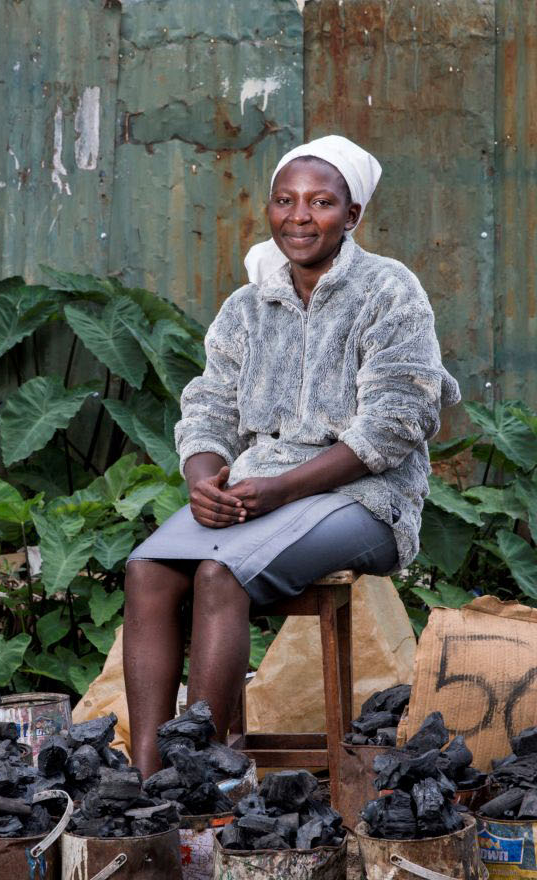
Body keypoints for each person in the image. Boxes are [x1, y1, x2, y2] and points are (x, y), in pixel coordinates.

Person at [122, 135, 461, 776]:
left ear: (352, 215)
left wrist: (282, 490)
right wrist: (203, 480)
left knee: (221, 575)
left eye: (321, 202)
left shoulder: (388, 291)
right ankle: (146, 780)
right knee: (148, 570)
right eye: (285, 200)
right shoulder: (247, 307)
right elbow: (208, 408)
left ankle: (206, 774)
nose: (299, 216)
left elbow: (397, 423)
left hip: (365, 499)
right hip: (258, 495)